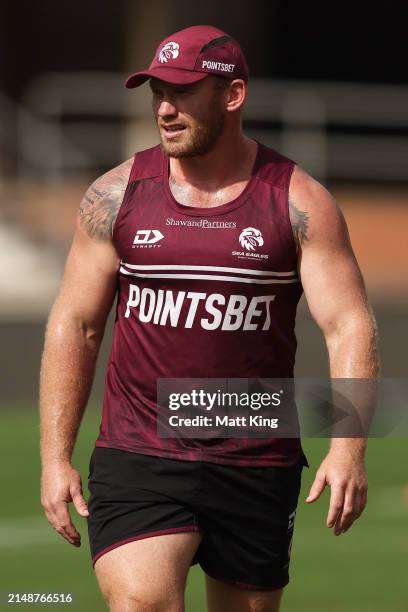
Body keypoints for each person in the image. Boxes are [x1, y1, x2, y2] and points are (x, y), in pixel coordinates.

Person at [40, 24, 378, 612]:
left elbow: (349, 325)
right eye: (156, 93)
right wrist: (54, 457)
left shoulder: (299, 202)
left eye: (183, 91)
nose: (165, 110)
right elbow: (76, 323)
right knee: (142, 603)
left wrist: (347, 449)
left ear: (232, 94)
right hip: (138, 449)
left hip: (255, 454)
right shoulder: (115, 196)